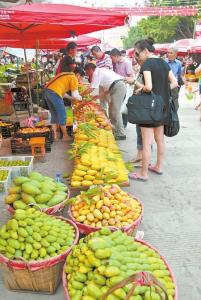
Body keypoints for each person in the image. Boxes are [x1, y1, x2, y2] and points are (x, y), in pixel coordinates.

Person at [128, 38, 178, 181]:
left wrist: (139, 89)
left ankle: (143, 174)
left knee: (147, 142)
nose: (137, 57)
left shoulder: (147, 64)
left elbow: (148, 87)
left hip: (149, 109)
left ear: (145, 51)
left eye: (137, 54)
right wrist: (162, 92)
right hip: (163, 107)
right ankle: (158, 167)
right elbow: (174, 83)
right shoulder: (163, 62)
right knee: (160, 139)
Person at [84, 63, 127, 140]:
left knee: (115, 111)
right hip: (116, 86)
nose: (87, 74)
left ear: (90, 70)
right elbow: (108, 88)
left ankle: (121, 134)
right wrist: (97, 96)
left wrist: (80, 95)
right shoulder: (100, 71)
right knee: (112, 110)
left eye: (87, 72)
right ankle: (114, 131)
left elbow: (91, 88)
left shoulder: (96, 73)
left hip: (118, 86)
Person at [43, 66, 82, 141]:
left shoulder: (65, 74)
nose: (80, 80)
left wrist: (71, 98)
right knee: (62, 114)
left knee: (54, 114)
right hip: (54, 94)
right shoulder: (73, 78)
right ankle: (65, 136)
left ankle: (54, 136)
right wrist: (80, 98)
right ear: (78, 75)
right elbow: (75, 95)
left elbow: (62, 93)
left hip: (47, 92)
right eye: (81, 78)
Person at [110, 48, 133, 128]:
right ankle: (120, 122)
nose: (112, 60)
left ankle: (124, 123)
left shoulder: (126, 63)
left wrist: (124, 80)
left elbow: (130, 76)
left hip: (124, 85)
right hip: (117, 85)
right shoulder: (116, 63)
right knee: (119, 104)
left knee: (123, 104)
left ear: (116, 56)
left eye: (112, 58)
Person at [91, 46, 113, 112]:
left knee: (109, 101)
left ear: (99, 51)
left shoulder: (107, 57)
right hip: (101, 83)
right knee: (102, 101)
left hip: (108, 83)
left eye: (95, 54)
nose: (95, 56)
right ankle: (104, 119)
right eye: (93, 55)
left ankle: (111, 119)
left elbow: (106, 69)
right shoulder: (97, 60)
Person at [166, 46, 182, 111]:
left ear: (176, 54)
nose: (169, 54)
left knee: (175, 101)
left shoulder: (179, 63)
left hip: (175, 84)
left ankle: (174, 115)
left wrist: (180, 83)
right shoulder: (164, 62)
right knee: (165, 100)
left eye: (171, 53)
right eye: (168, 53)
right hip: (165, 84)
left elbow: (179, 74)